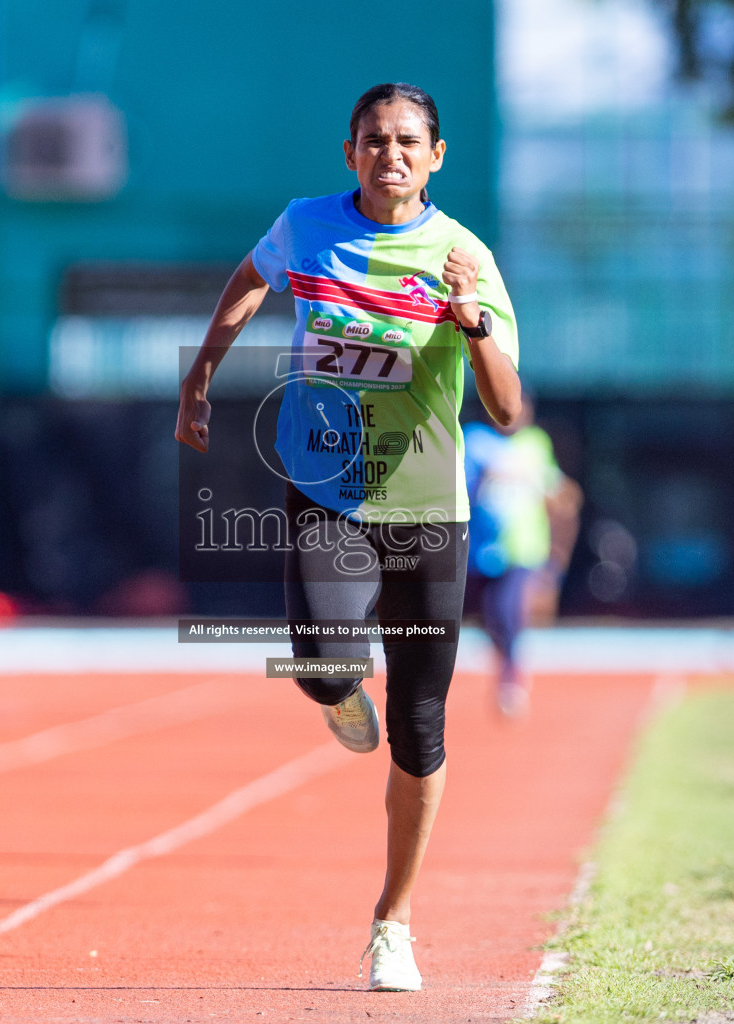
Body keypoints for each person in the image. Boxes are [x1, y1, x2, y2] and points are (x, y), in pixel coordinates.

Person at [174, 83, 522, 992]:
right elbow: (250, 278)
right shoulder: (305, 226)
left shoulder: (463, 256)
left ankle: (393, 923)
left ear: (436, 155)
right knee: (323, 665)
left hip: (426, 508)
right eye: (374, 140)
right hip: (328, 489)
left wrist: (468, 319)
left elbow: (509, 407)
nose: (391, 154)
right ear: (350, 152)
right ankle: (335, 692)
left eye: (409, 141)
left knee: (419, 721)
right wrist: (200, 377)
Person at [463, 394, 581, 716]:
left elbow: (556, 490)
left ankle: (511, 678)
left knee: (509, 609)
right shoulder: (474, 441)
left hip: (525, 546)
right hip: (482, 549)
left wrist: (559, 544)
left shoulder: (536, 443)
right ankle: (506, 661)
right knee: (490, 617)